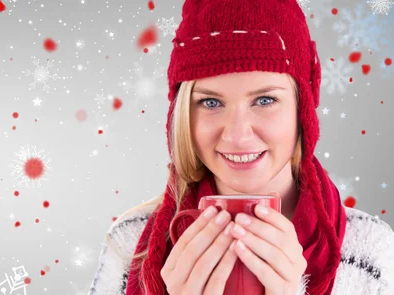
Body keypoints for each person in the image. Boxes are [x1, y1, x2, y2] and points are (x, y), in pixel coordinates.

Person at [88, 0, 394, 294]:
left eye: (265, 100)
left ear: (303, 108)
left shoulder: (369, 251)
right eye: (210, 102)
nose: (237, 136)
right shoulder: (130, 246)